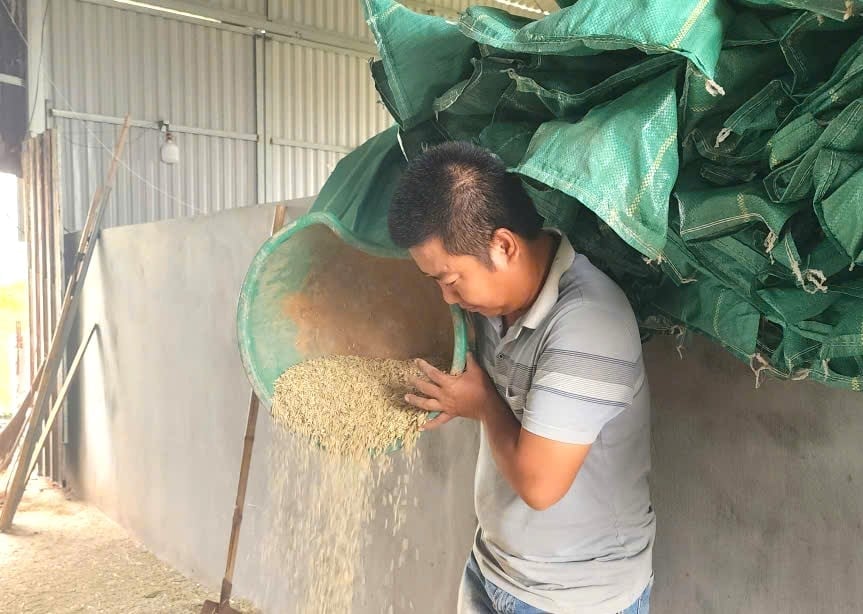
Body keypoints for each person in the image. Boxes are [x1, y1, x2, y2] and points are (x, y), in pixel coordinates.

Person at [388, 141, 655, 614]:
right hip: (493, 567)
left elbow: (539, 485)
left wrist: (482, 405)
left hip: (571, 598)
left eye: (450, 279)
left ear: (504, 245)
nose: (447, 298)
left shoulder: (588, 324)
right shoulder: (492, 307)